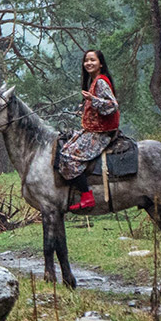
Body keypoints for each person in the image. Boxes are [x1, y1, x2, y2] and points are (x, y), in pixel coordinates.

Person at [57, 49, 120, 213]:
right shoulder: (94, 82)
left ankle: (86, 196)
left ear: (100, 64)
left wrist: (93, 100)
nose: (89, 63)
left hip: (101, 133)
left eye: (93, 60)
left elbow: (113, 106)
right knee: (65, 147)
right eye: (86, 60)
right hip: (93, 129)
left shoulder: (100, 82)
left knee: (67, 156)